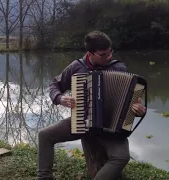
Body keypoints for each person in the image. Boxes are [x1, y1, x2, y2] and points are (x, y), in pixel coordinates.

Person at [37, 31, 147, 180]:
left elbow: (131, 104)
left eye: (110, 52)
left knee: (122, 156)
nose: (109, 57)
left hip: (110, 128)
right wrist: (60, 98)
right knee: (45, 135)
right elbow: (55, 84)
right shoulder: (77, 67)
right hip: (81, 122)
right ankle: (44, 178)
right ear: (90, 53)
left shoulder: (119, 68)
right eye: (103, 55)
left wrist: (138, 111)